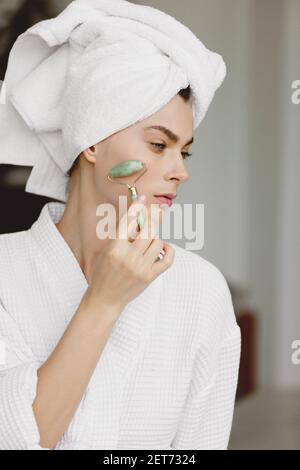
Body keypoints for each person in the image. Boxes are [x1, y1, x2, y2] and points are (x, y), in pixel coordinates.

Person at [0, 0, 241, 450]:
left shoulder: (200, 291)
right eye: (157, 144)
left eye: (183, 151)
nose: (179, 171)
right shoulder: (4, 272)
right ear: (92, 140)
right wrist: (103, 303)